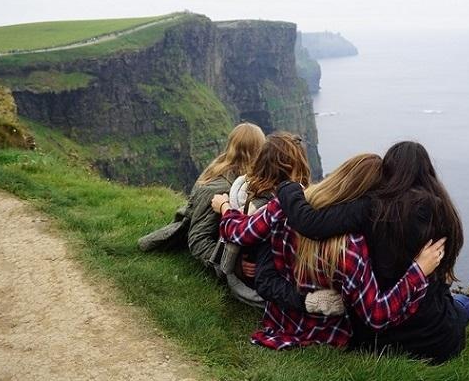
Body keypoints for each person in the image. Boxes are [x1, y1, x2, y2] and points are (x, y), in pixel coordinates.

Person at [277, 141, 469, 362]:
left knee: (442, 300)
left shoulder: (369, 209)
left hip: (371, 340)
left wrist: (288, 187)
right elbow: (440, 275)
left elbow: (311, 223)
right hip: (432, 338)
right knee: (450, 304)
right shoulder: (443, 213)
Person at [212, 153, 447, 350]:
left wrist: (225, 207)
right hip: (328, 334)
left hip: (279, 321)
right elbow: (376, 315)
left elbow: (237, 232)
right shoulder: (351, 247)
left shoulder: (284, 205)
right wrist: (418, 271)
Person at [210, 132, 313, 308]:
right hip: (296, 277)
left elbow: (239, 232)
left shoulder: (260, 200)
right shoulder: (306, 199)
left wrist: (224, 207)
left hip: (269, 283)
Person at [185, 122, 266, 265]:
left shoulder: (235, 175)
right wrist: (233, 264)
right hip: (224, 246)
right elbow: (198, 240)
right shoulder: (219, 188)